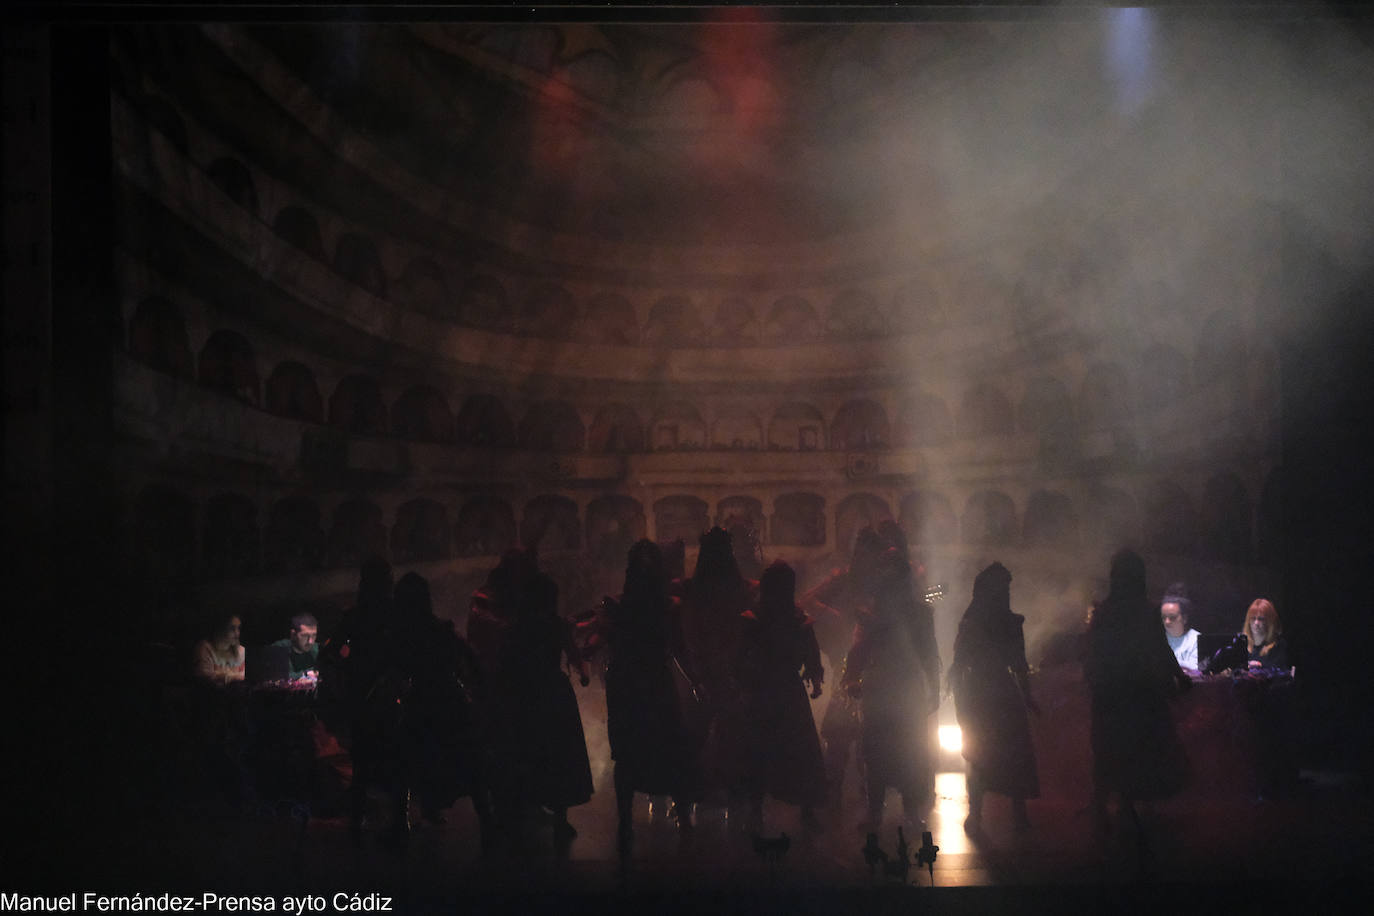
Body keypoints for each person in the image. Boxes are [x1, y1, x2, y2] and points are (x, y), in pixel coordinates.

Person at [588, 539, 702, 858]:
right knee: (643, 750)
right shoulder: (635, 606)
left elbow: (676, 647)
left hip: (637, 683)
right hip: (641, 683)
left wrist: (696, 680)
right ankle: (646, 820)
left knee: (650, 749)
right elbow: (676, 648)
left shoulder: (636, 606)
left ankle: (650, 820)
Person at [1085, 549, 1190, 841]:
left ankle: (1107, 809)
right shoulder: (1144, 612)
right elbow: (1160, 649)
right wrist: (1178, 677)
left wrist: (1093, 682)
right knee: (1139, 750)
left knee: (1110, 752)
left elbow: (1093, 653)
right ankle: (1131, 809)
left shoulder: (1105, 613)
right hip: (1139, 692)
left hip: (1111, 693)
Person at [721, 560, 828, 833]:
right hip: (776, 690)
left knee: (773, 750)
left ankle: (771, 810)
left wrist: (814, 676)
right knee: (780, 750)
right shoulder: (770, 619)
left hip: (766, 691)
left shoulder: (785, 619)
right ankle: (770, 810)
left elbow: (737, 658)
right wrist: (814, 678)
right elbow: (809, 653)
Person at [842, 547, 941, 830]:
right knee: (879, 751)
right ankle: (877, 811)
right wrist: (851, 677)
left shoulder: (919, 614)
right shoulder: (874, 615)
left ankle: (907, 810)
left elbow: (928, 652)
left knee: (907, 750)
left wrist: (933, 687)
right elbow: (859, 650)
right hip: (885, 688)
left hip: (901, 688)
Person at [948, 562, 1039, 834]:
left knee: (985, 754)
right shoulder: (1001, 623)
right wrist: (1026, 694)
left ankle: (981, 815)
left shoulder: (979, 622)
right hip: (994, 692)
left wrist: (1026, 694)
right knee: (998, 752)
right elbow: (1019, 664)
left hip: (982, 693)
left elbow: (961, 662)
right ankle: (1005, 815)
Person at [801, 525, 884, 808]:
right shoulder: (844, 579)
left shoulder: (885, 582)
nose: (866, 557)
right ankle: (832, 792)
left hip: (877, 665)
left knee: (871, 735)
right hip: (844, 661)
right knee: (839, 733)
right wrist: (835, 616)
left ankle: (871, 797)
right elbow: (806, 601)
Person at [193, 613, 245, 686]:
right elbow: (205, 677)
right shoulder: (205, 648)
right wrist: (233, 677)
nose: (237, 633)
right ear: (221, 628)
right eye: (232, 628)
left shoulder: (241, 651)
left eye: (238, 628)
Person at [1241, 598, 1291, 672]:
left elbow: (1281, 676)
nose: (1256, 623)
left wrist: (1260, 667)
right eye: (1253, 618)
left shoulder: (1279, 646)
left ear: (1269, 622)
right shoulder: (1241, 644)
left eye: (1261, 619)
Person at [1160, 584, 1200, 674]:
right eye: (1163, 617)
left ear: (1184, 619)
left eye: (1172, 617)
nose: (1167, 622)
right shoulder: (1157, 638)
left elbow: (1198, 669)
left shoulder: (1196, 639)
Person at [270, 612, 320, 681]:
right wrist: (306, 674)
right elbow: (281, 676)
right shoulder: (280, 648)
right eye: (305, 636)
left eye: (314, 635)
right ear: (293, 634)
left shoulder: (316, 648)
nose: (310, 641)